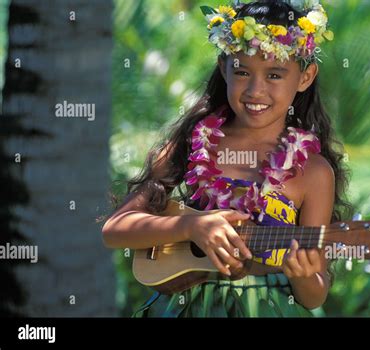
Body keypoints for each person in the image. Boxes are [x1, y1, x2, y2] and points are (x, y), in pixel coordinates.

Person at [102, 0, 351, 317]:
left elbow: (315, 295)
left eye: (275, 74)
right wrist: (191, 226)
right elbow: (115, 229)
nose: (255, 91)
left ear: (305, 76)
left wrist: (303, 275)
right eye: (242, 71)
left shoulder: (313, 172)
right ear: (224, 67)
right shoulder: (191, 144)